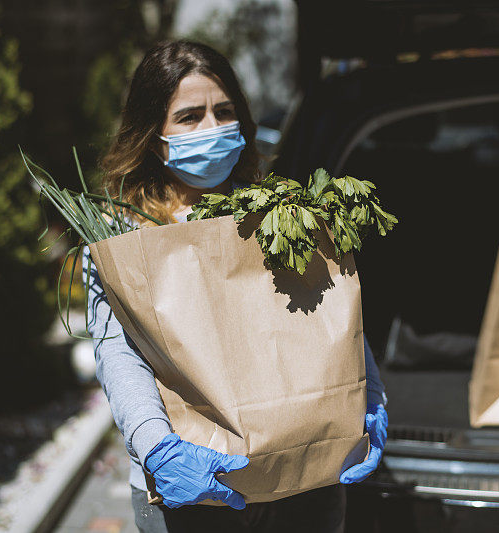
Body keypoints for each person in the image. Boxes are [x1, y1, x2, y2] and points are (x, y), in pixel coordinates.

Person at [80, 40, 388, 533]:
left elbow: (328, 310)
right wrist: (157, 448)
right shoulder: (120, 236)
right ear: (153, 135)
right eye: (189, 117)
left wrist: (369, 397)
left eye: (224, 112)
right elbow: (119, 355)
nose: (212, 129)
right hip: (197, 489)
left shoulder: (278, 213)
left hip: (305, 476)